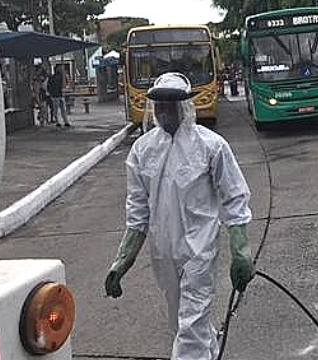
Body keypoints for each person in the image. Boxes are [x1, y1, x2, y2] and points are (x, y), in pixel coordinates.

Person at [105, 72, 256, 360]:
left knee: (191, 324)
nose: (163, 112)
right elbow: (137, 212)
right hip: (163, 253)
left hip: (199, 251)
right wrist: (121, 262)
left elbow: (234, 197)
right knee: (182, 323)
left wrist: (241, 250)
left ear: (185, 106)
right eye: (159, 105)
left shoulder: (211, 146)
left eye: (170, 105)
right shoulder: (142, 150)